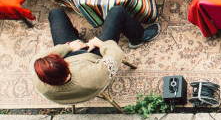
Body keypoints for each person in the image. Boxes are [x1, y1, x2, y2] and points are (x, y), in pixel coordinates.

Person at [32, 6, 161, 105]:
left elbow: (39, 58)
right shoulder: (92, 77)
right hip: (93, 56)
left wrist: (68, 47)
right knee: (117, 11)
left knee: (55, 13)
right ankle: (138, 37)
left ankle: (75, 37)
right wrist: (100, 44)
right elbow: (115, 55)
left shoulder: (40, 79)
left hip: (70, 52)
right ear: (66, 65)